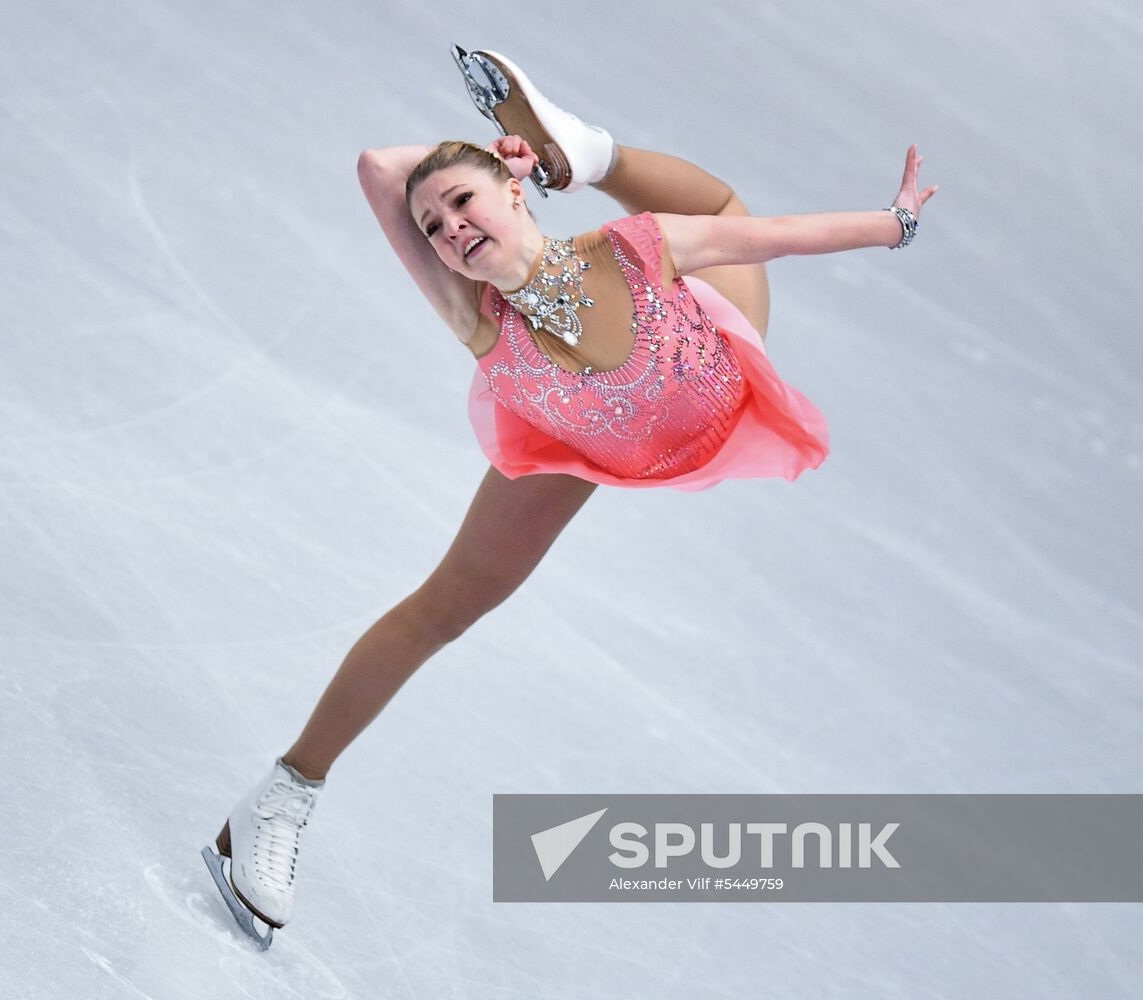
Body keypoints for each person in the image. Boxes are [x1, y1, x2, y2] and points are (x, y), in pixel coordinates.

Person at [202, 47, 937, 948]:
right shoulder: (478, 319)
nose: (448, 229)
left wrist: (892, 223)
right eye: (432, 227)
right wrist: (474, 170)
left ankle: (583, 153)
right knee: (443, 608)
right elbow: (376, 169)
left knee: (718, 211)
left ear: (515, 195)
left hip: (711, 365)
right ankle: (280, 799)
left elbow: (782, 232)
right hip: (583, 441)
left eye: (463, 203)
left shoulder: (637, 248)